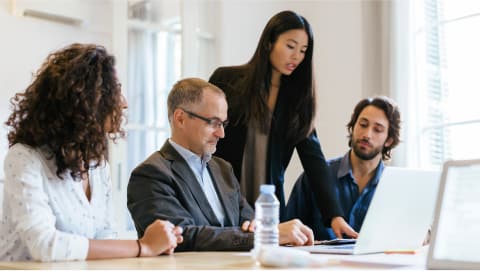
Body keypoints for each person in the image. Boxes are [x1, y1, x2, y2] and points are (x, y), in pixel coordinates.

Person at [0, 43, 183, 262]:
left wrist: (154, 244)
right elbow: (45, 245)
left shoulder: (97, 165)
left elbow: (104, 235)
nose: (123, 103)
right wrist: (142, 246)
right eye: (114, 92)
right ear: (85, 102)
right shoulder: (24, 158)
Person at [208, 10, 356, 238]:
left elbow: (314, 160)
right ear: (269, 42)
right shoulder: (226, 80)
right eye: (290, 46)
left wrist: (334, 216)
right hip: (222, 202)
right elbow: (203, 136)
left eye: (303, 51)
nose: (296, 56)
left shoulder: (297, 101)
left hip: (270, 211)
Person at [127, 78, 314, 251]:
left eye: (223, 124)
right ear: (180, 118)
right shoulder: (150, 174)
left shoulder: (223, 169)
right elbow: (183, 237)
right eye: (213, 123)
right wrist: (266, 235)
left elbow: (248, 222)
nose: (222, 134)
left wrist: (258, 228)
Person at [286, 96, 401, 240]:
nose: (367, 135)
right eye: (363, 124)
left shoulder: (396, 187)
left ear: (389, 140)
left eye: (377, 130)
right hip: (319, 262)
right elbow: (287, 231)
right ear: (353, 127)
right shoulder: (314, 177)